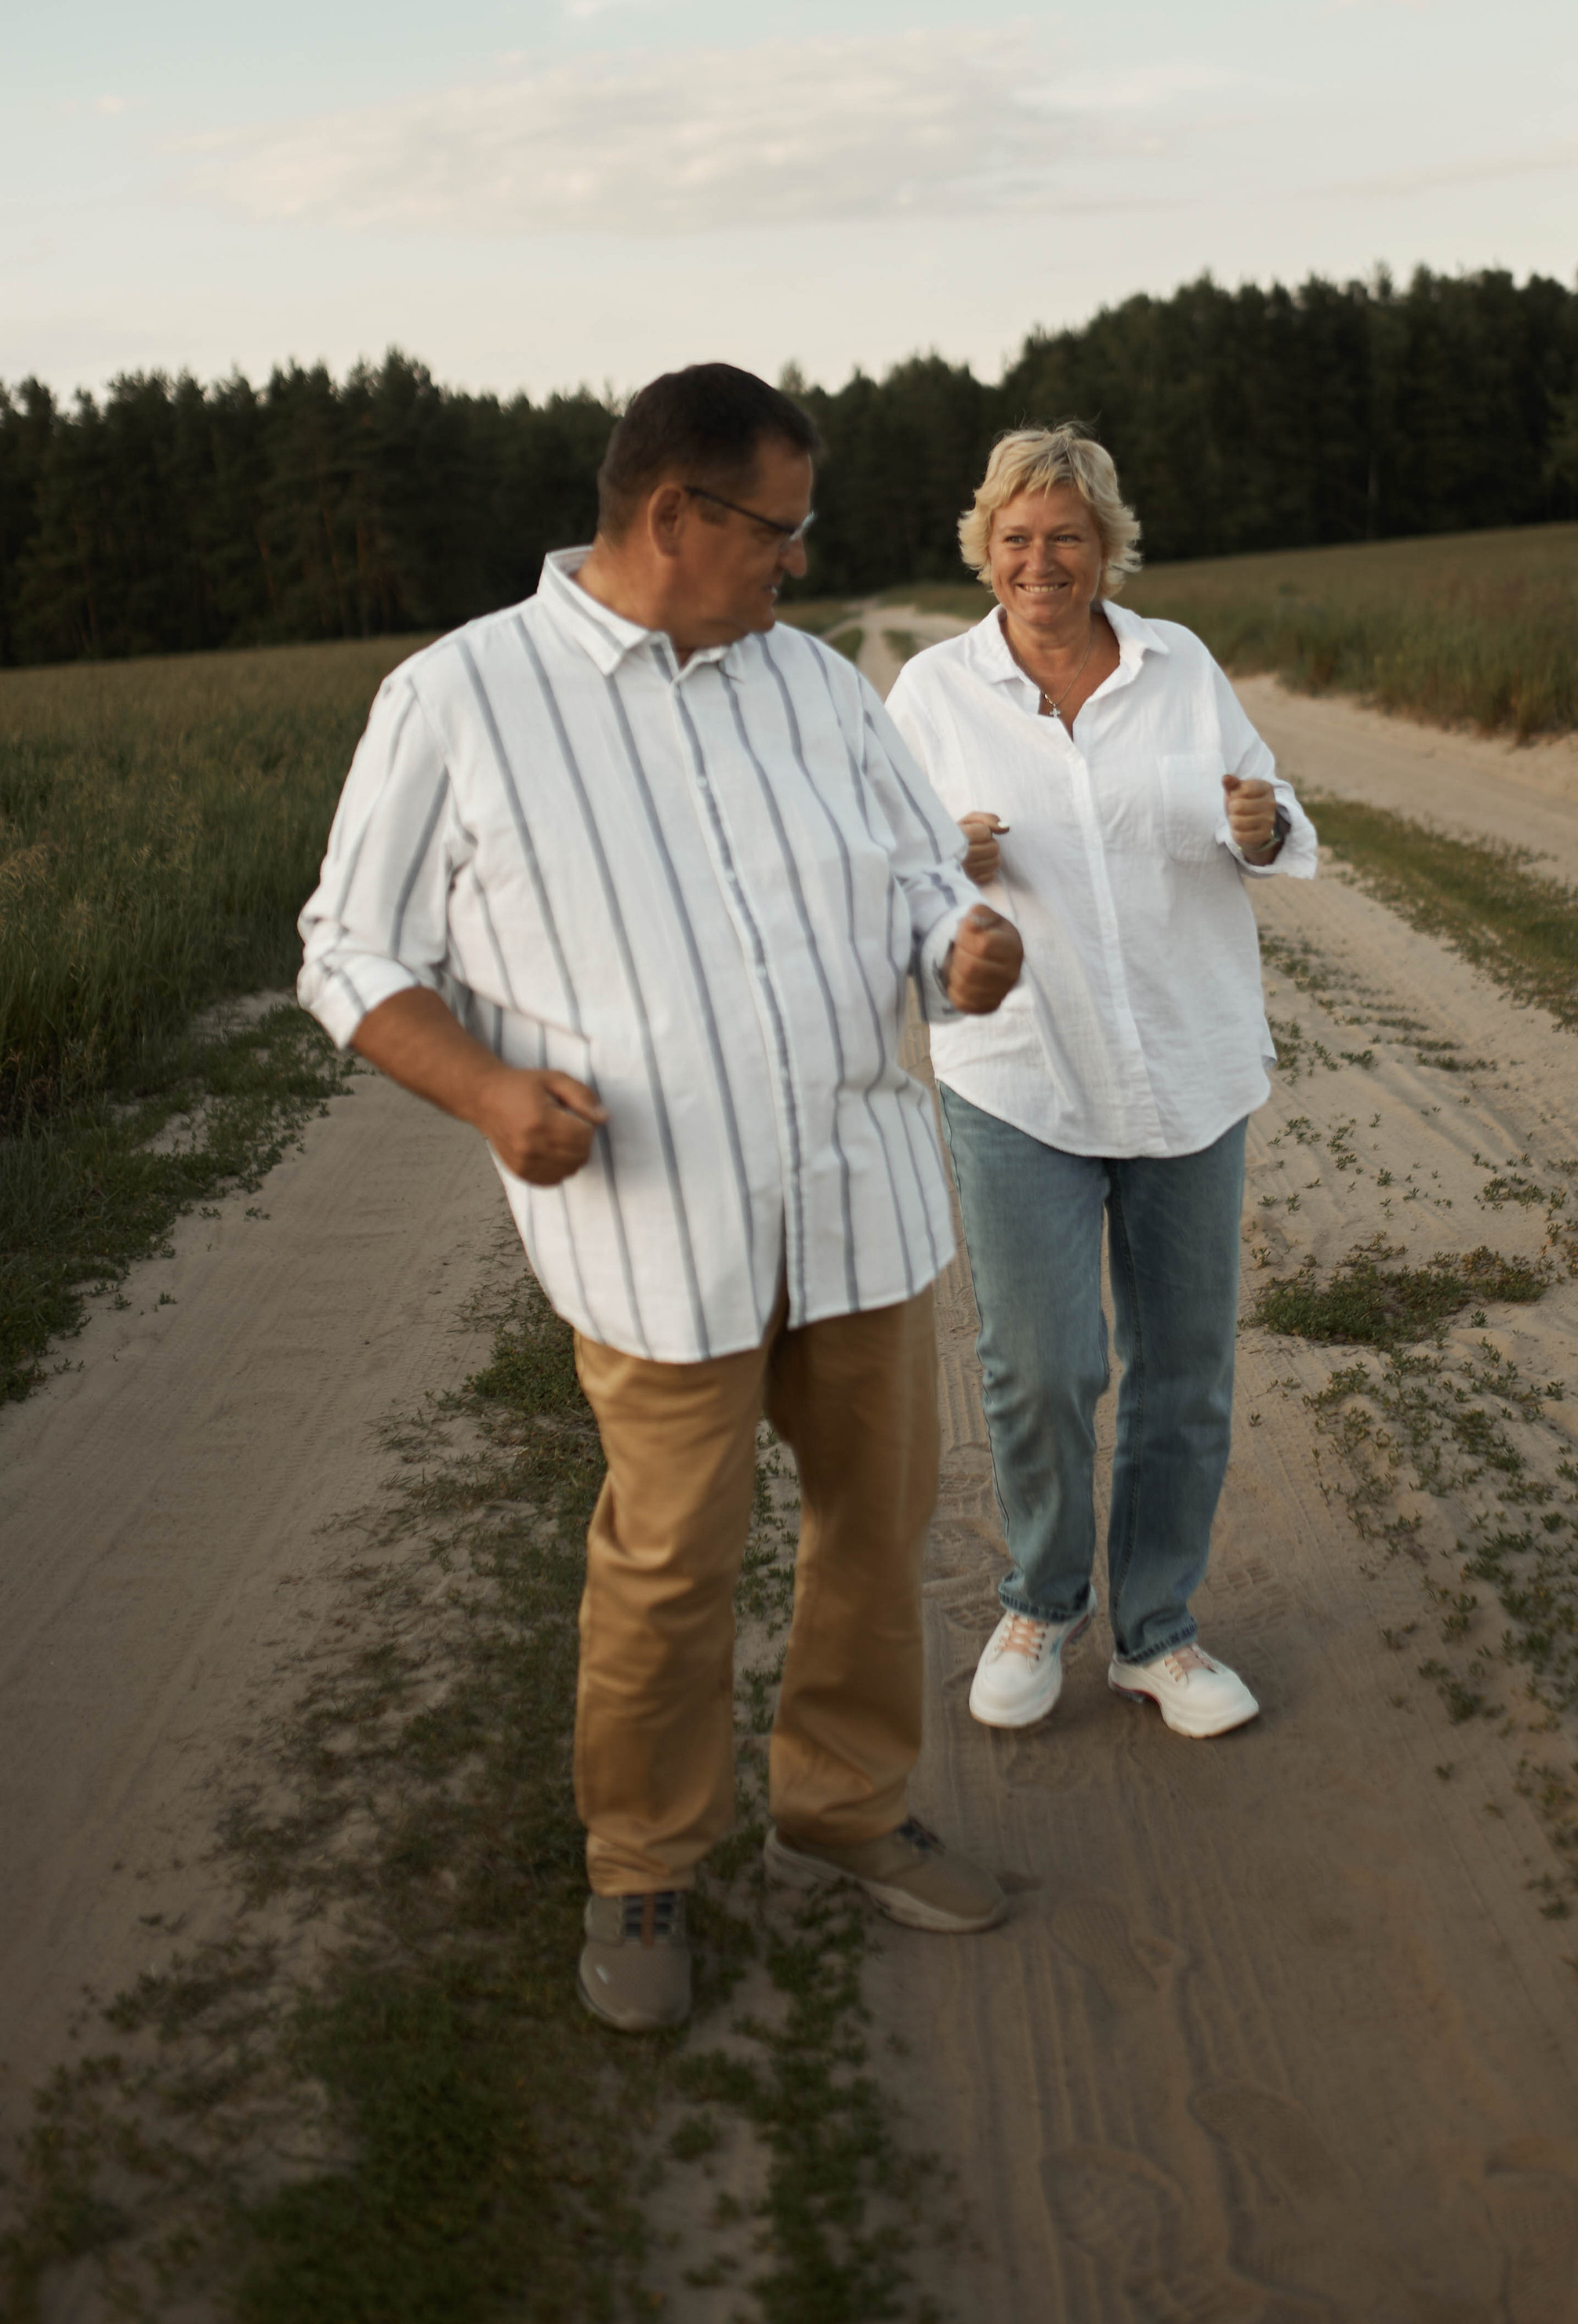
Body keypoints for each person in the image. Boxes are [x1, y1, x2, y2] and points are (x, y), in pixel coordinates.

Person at [297, 364, 1025, 2035]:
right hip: (653, 1235)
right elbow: (347, 955)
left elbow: (921, 877)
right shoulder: (459, 698)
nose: (797, 560)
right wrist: (485, 1091)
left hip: (857, 1204)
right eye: (778, 529)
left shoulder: (818, 691)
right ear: (674, 514)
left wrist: (959, 949)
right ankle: (641, 1866)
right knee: (667, 1564)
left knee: (873, 1537)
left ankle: (843, 1808)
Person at [886, 424, 1314, 1741]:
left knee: (1183, 1368)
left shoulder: (1180, 667)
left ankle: (1159, 1633)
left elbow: (1273, 810)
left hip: (1186, 1062)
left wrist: (1267, 826)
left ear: (1106, 545)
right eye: (1016, 538)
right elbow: (882, 877)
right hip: (1021, 1073)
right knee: (1043, 1363)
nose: (1041, 560)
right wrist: (938, 864)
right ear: (985, 550)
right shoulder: (929, 698)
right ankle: (1040, 1598)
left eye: (1066, 535)